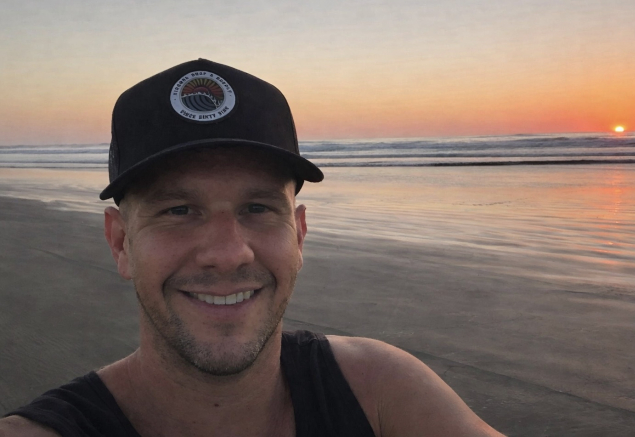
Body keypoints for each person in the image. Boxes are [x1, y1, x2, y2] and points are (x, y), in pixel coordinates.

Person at [0, 59, 503, 437]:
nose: (229, 253)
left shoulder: (378, 389)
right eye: (179, 210)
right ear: (120, 243)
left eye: (258, 208)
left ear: (298, 234)